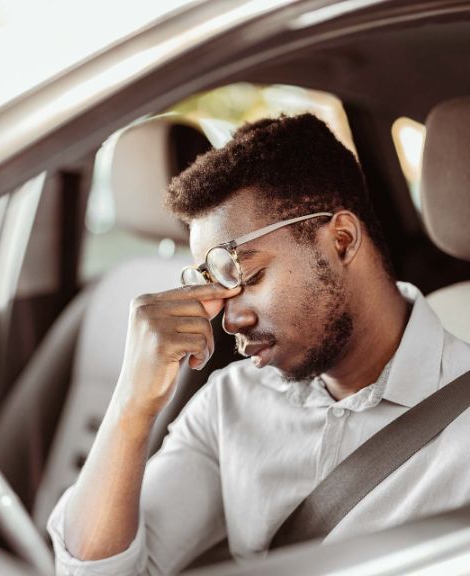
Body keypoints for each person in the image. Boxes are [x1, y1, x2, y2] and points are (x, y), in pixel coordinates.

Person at [47, 114, 470, 575]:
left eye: (248, 276)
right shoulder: (231, 403)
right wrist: (132, 406)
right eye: (215, 287)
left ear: (342, 241)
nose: (231, 319)